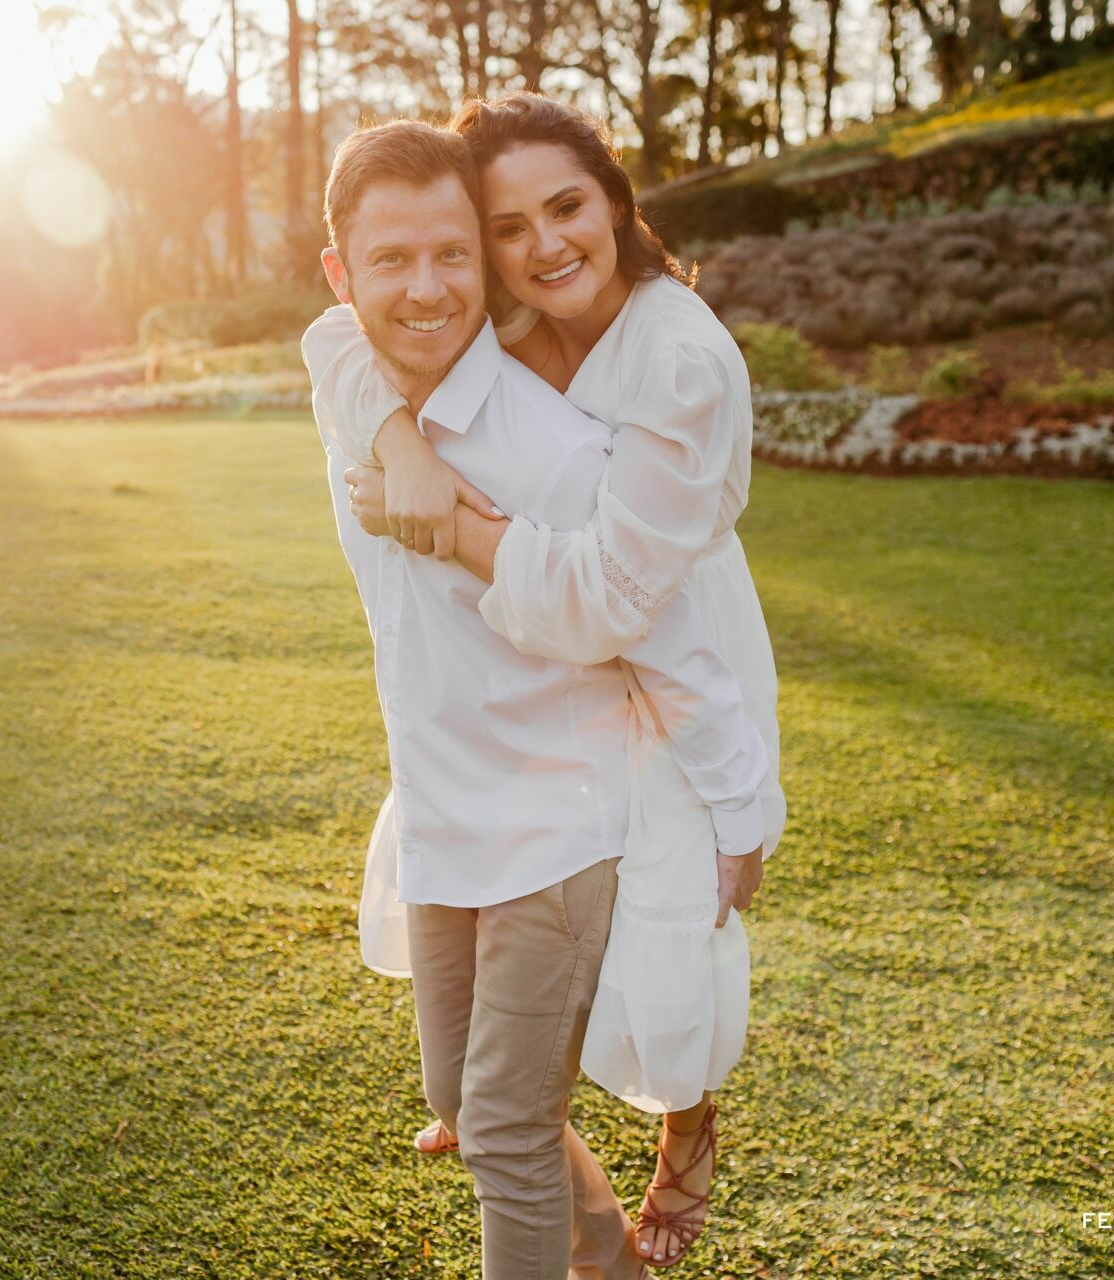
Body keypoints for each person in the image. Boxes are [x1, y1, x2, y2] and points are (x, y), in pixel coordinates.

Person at [307, 91, 786, 1269]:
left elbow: (655, 624)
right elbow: (335, 345)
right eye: (394, 261)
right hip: (447, 802)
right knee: (470, 1104)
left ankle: (673, 1141)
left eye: (451, 256)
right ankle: (611, 1255)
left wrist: (742, 804)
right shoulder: (365, 372)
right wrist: (403, 441)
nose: (429, 287)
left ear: (618, 207)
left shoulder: (601, 416)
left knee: (521, 1118)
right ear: (342, 273)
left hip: (574, 790)